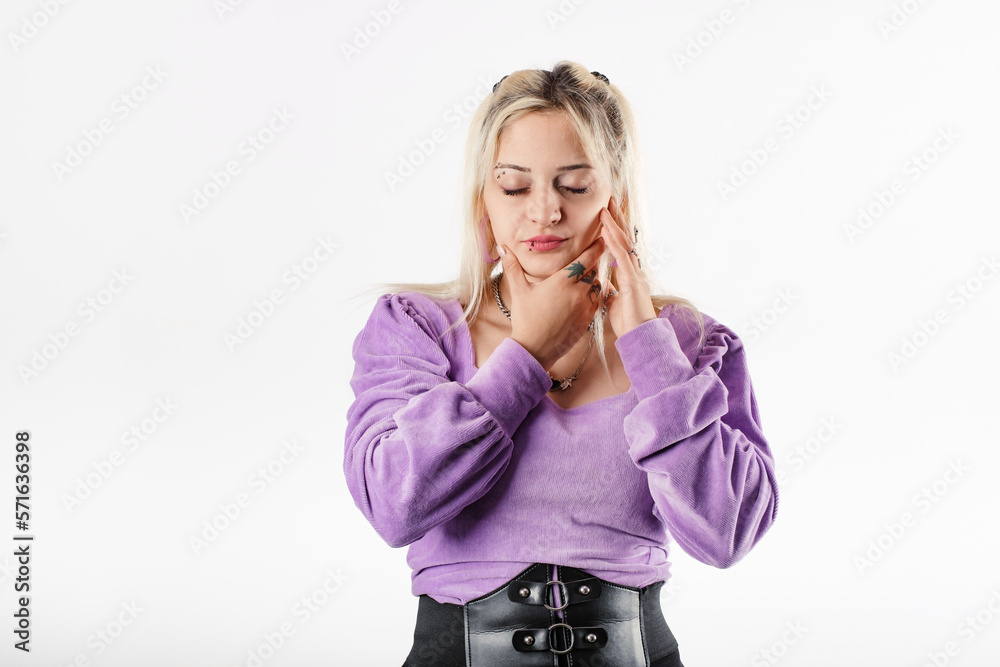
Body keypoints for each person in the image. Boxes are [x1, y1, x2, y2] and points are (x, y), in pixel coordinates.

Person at [344, 61, 779, 666]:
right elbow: (394, 506)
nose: (544, 211)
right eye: (515, 186)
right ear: (484, 201)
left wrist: (647, 349)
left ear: (616, 199)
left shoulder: (691, 343)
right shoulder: (417, 327)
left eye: (574, 185)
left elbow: (727, 533)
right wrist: (527, 357)